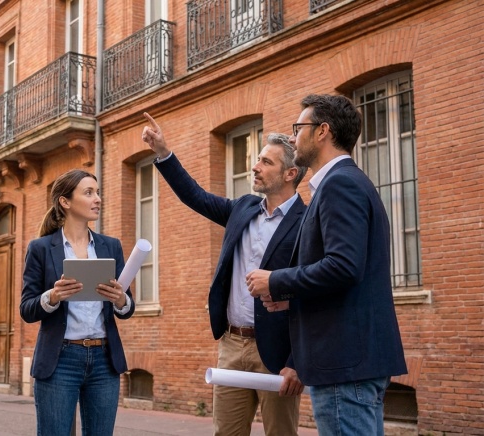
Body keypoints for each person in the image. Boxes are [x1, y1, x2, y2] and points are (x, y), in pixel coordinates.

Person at [246, 94, 407, 435]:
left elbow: (343, 266)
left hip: (343, 363)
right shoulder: (340, 182)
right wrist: (293, 298)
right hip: (348, 362)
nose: (293, 137)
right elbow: (347, 276)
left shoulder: (340, 184)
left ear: (322, 132)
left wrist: (276, 281)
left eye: (299, 128)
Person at [142, 113, 306, 436]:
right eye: (257, 159)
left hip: (277, 352)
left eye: (266, 162)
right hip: (231, 345)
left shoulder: (307, 221)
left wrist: (297, 362)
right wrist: (163, 152)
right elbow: (196, 196)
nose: (255, 166)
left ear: (290, 173)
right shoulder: (242, 208)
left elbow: (311, 293)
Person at [20, 169, 135, 436]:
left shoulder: (110, 246)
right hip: (60, 360)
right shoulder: (40, 248)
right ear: (65, 201)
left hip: (104, 360)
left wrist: (121, 300)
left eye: (98, 192)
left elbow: (128, 307)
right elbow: (26, 308)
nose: (98, 199)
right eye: (89, 193)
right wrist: (53, 296)